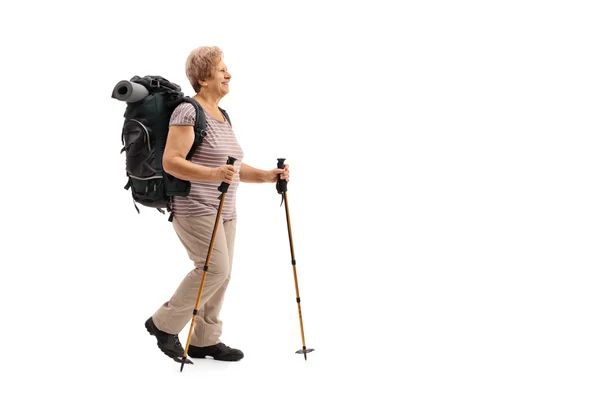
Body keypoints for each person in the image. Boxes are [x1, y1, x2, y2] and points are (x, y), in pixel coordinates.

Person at [144, 46, 289, 363]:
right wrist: (212, 174)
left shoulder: (223, 116)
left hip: (226, 210)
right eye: (222, 69)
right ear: (203, 77)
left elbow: (233, 166)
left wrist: (267, 175)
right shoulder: (187, 111)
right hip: (195, 208)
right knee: (213, 270)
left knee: (222, 275)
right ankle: (162, 324)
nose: (229, 74)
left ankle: (205, 341)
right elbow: (172, 162)